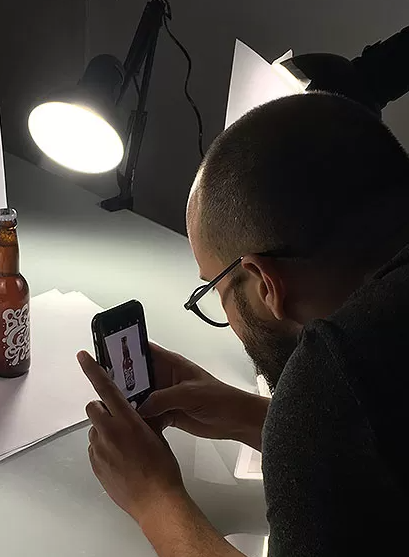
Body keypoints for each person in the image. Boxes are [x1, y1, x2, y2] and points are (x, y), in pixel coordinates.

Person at [79, 93, 409, 557]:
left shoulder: (331, 380)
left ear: (264, 283)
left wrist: (154, 498)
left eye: (214, 288)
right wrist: (252, 417)